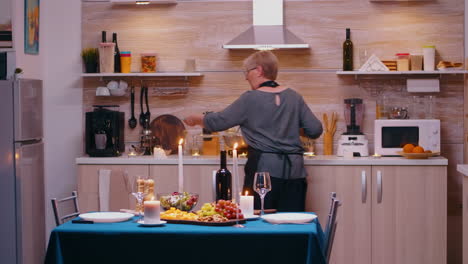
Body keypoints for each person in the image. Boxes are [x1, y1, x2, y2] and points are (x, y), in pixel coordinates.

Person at [184, 51, 322, 212]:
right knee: (292, 227)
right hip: (296, 174)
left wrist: (196, 118)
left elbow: (219, 121)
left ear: (259, 70)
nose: (246, 77)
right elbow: (315, 129)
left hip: (264, 175)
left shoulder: (250, 98)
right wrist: (288, 126)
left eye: (247, 71)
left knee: (258, 224)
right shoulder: (294, 97)